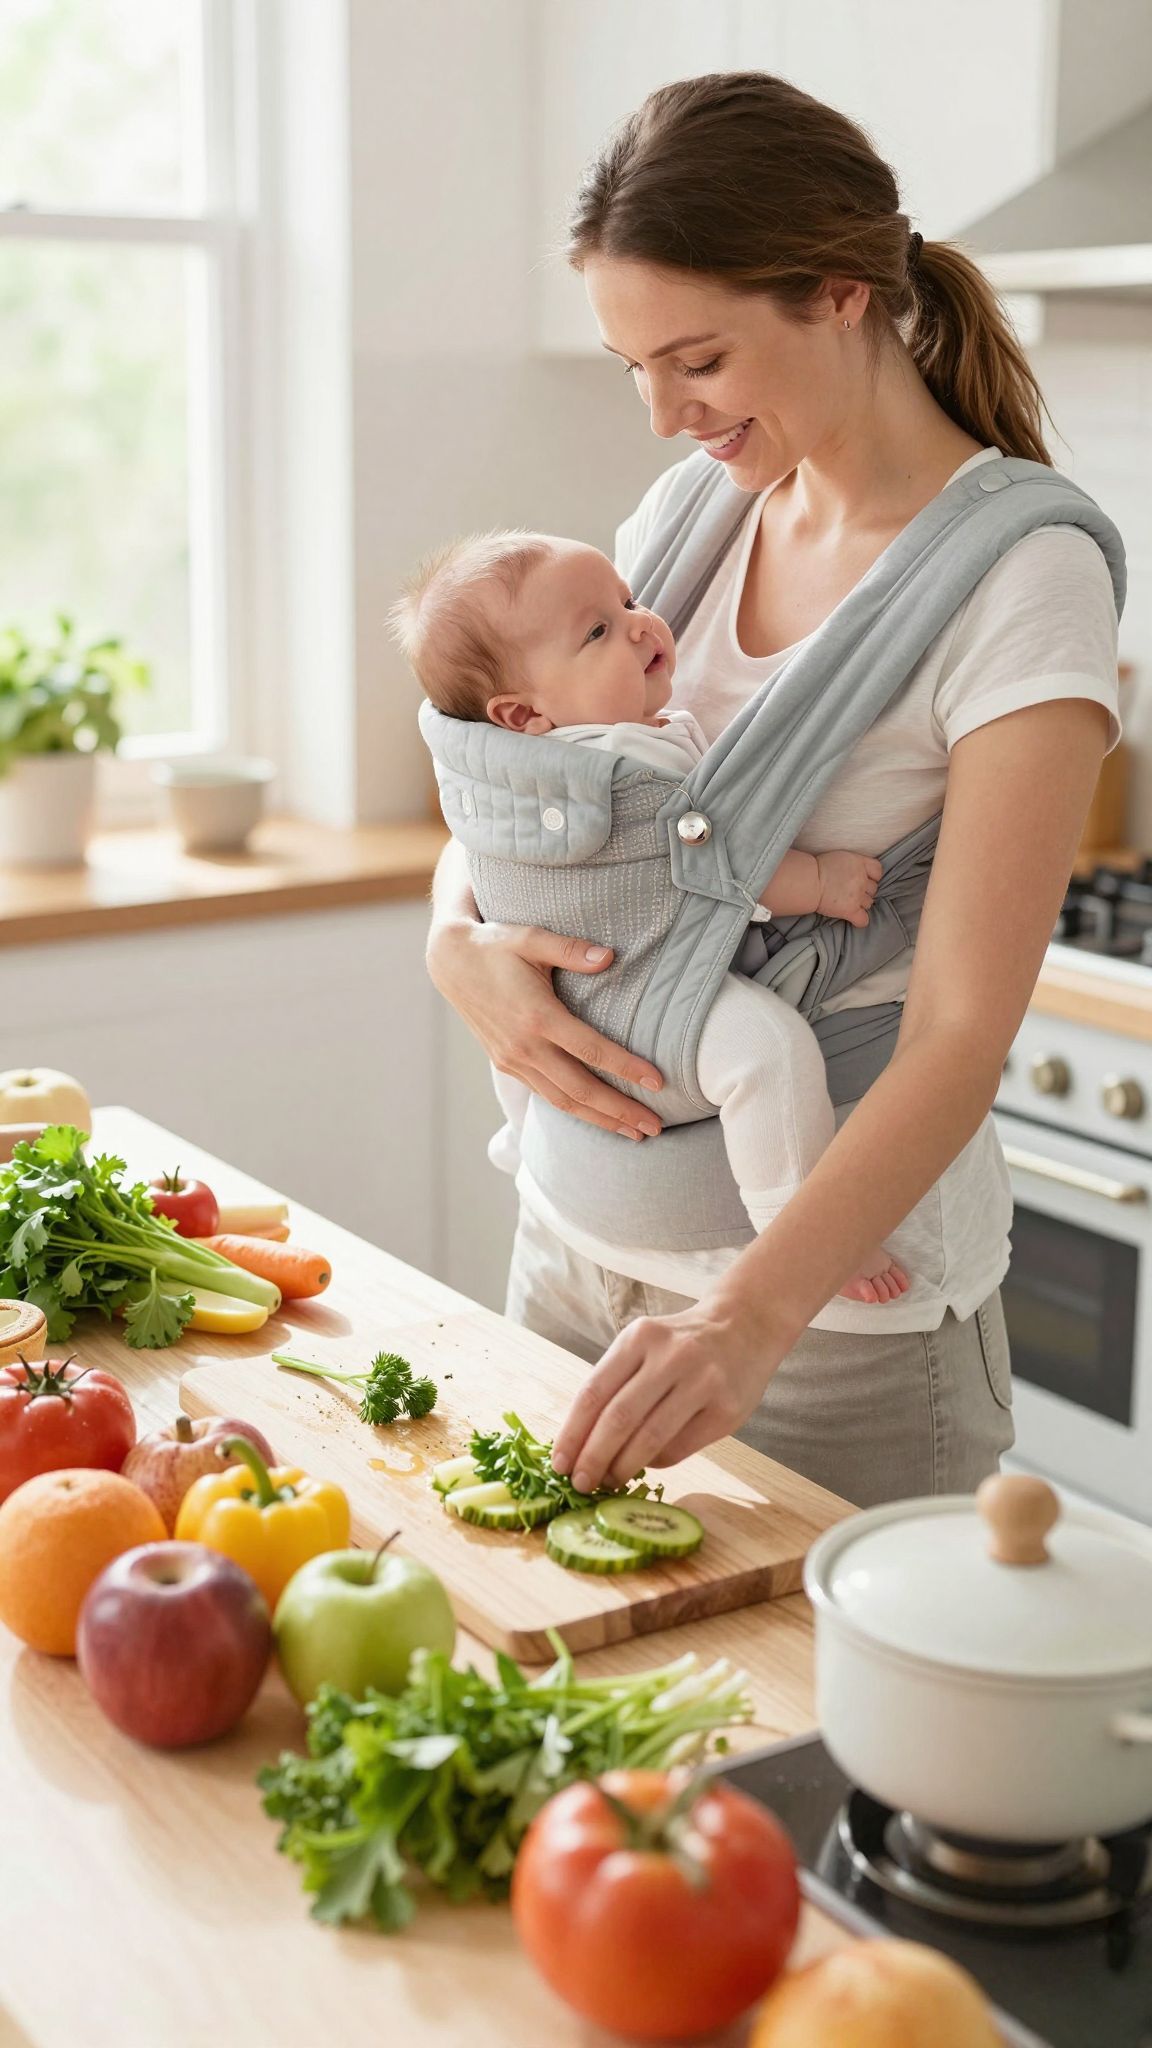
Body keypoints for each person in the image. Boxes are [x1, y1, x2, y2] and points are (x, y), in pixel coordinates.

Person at [424, 71, 1121, 1509]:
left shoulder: (1020, 579)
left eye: (698, 360)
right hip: (569, 1245)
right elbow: (534, 788)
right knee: (564, 1724)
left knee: (803, 1740)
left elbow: (962, 1032)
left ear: (841, 292)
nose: (666, 414)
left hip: (821, 1336)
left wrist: (746, 1320)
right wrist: (457, 941)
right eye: (634, 368)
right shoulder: (687, 515)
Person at [392, 527, 906, 1302]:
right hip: (649, 993)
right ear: (523, 717)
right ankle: (803, 1231)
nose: (639, 623)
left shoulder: (518, 765)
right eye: (598, 630)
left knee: (528, 1057)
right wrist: (822, 883)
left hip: (578, 993)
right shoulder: (625, 768)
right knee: (768, 1052)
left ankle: (520, 1134)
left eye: (628, 599)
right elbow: (718, 860)